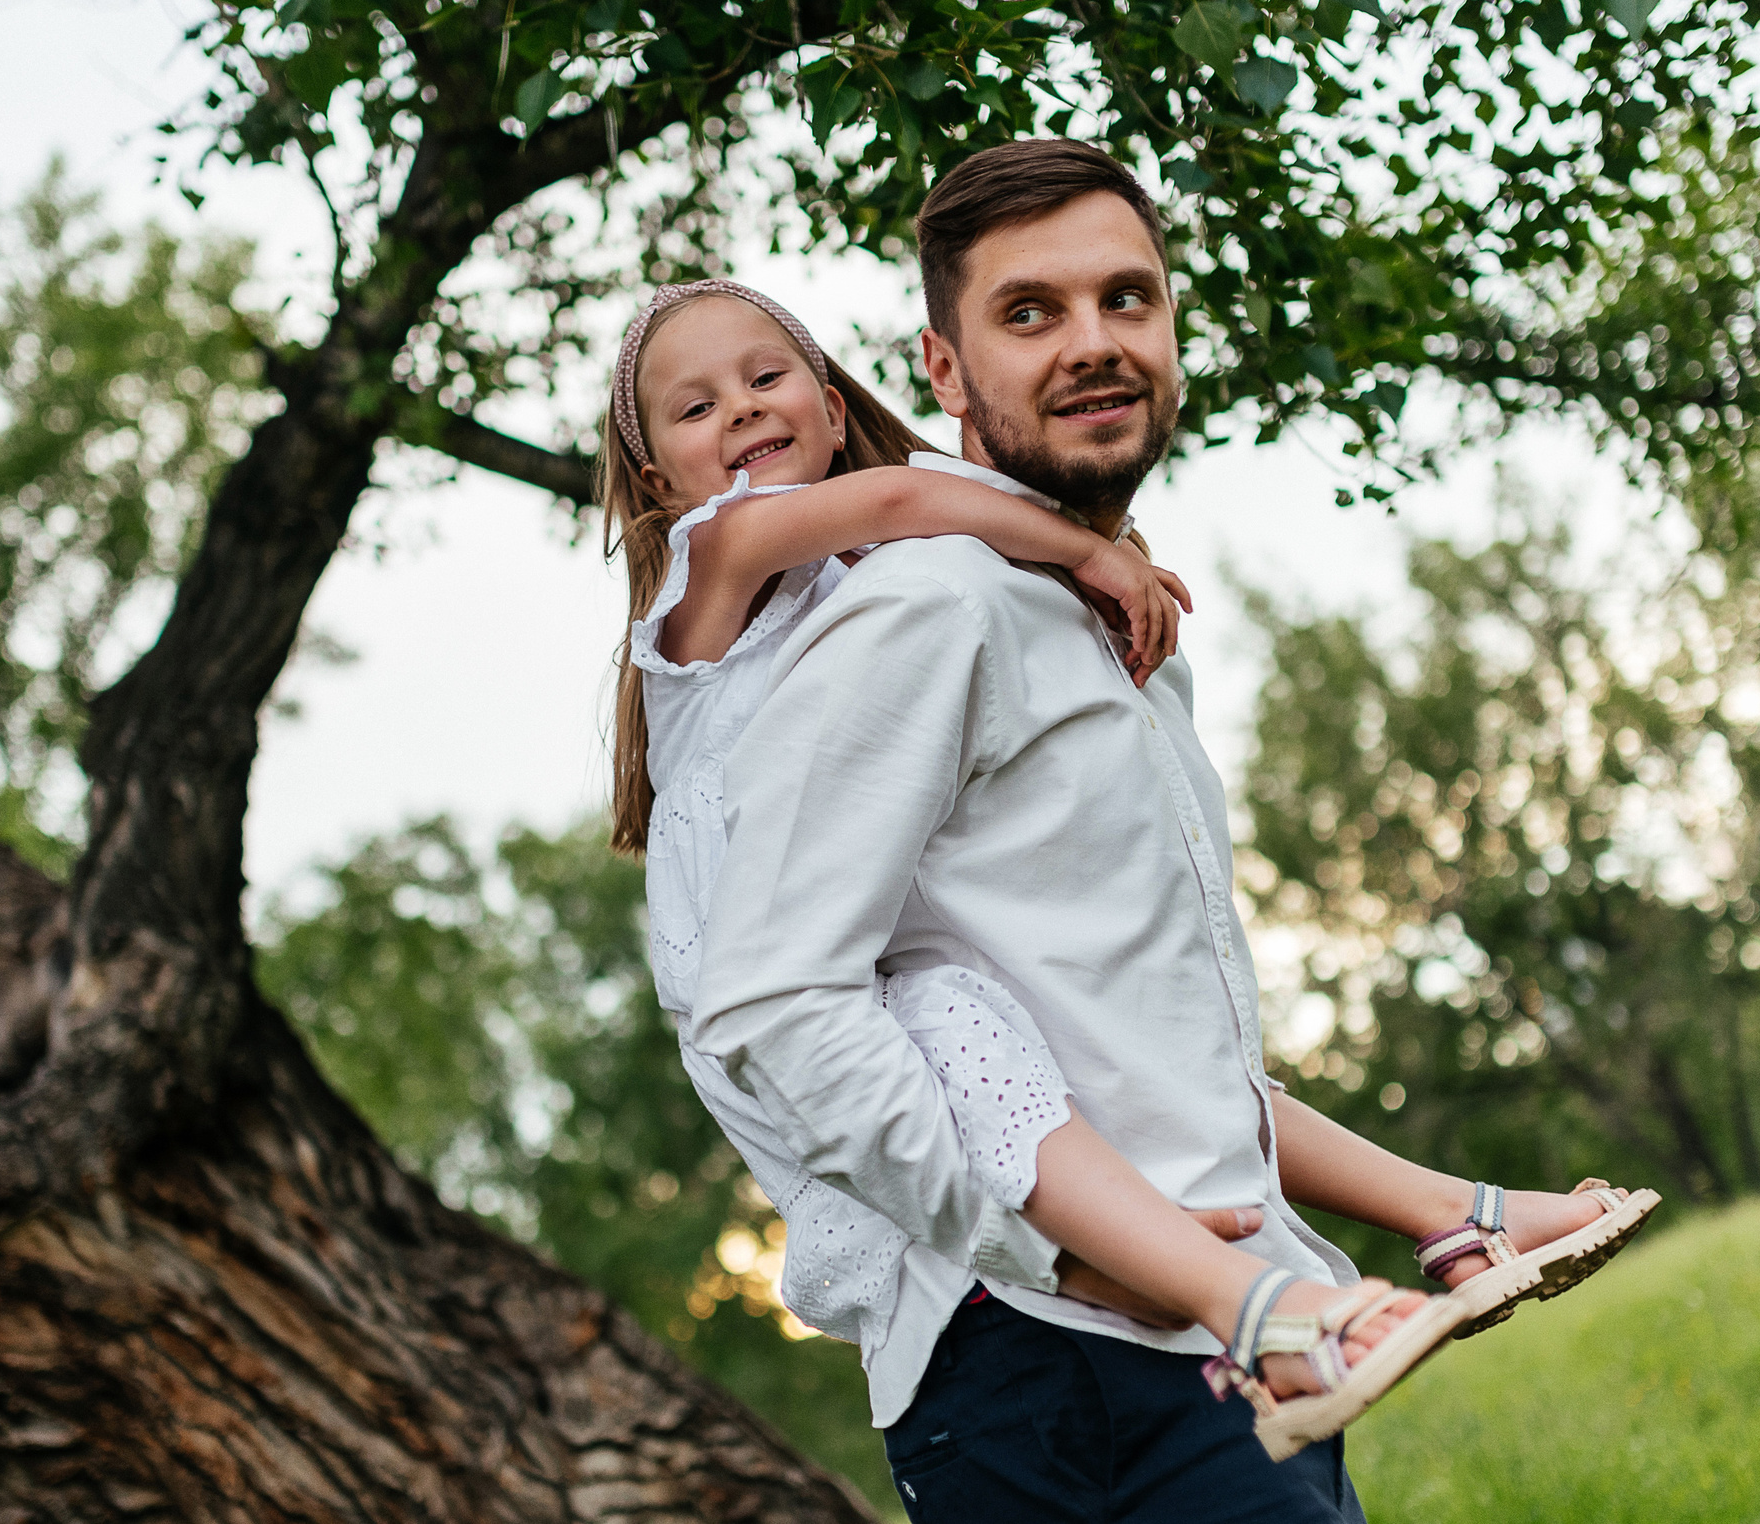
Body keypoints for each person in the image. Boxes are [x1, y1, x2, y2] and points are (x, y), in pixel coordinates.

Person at [602, 141, 1656, 1520]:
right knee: (947, 1015)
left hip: (1202, 1321)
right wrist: (1034, 1259)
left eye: (1128, 299)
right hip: (1056, 1359)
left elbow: (1137, 1044)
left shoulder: (1110, 628)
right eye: (1030, 313)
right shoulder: (924, 603)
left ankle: (1447, 1213)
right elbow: (777, 997)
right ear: (942, 366)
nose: (1093, 344)